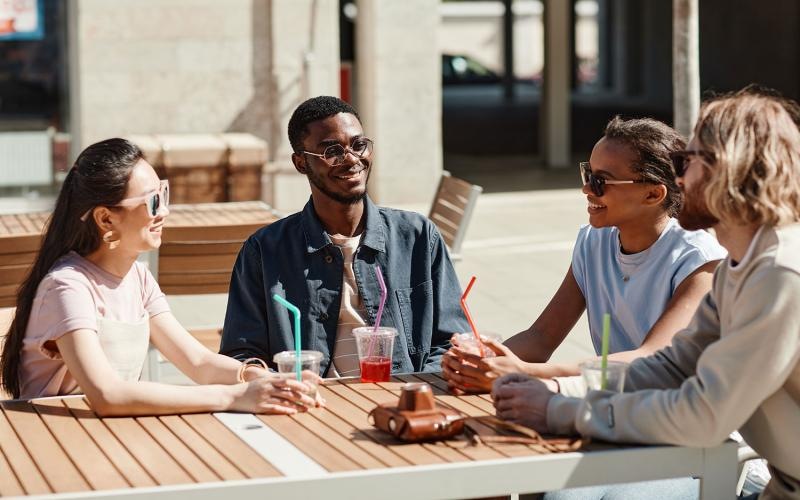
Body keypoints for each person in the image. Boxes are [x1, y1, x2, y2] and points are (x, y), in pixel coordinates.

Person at [493, 91, 800, 500]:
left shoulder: (778, 273)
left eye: (686, 163)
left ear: (730, 170)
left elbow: (705, 415)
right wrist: (551, 393)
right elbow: (669, 367)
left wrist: (561, 411)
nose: (677, 179)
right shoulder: (741, 268)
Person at [0, 138, 320, 416]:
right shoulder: (67, 286)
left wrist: (262, 379)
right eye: (153, 201)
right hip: (51, 445)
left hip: (111, 436)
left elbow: (197, 361)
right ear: (105, 218)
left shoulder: (137, 276)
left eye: (163, 194)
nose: (164, 211)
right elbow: (107, 395)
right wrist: (233, 397)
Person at [443, 117, 726, 393]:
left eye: (601, 181)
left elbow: (650, 359)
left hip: (683, 417)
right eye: (588, 174)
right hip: (622, 402)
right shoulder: (594, 241)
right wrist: (482, 361)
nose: (586, 189)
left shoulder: (699, 261)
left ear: (653, 195)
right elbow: (541, 337)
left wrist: (524, 372)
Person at [220, 96, 468, 377]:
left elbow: (452, 342)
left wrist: (420, 387)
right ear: (301, 162)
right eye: (332, 151)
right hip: (308, 406)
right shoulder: (264, 251)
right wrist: (267, 380)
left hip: (400, 399)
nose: (351, 159)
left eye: (359, 145)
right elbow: (241, 353)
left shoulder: (418, 237)